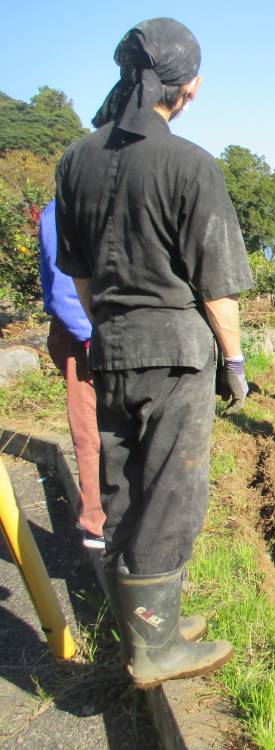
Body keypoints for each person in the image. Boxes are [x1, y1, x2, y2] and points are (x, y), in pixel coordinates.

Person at [55, 18, 252, 688]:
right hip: (174, 352)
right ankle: (155, 650)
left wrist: (107, 321)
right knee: (171, 492)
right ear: (187, 87)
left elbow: (78, 274)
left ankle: (151, 623)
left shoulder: (75, 160)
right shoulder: (190, 164)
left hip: (107, 342)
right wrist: (235, 361)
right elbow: (216, 287)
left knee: (122, 485)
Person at [38, 200, 106, 550]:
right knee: (90, 427)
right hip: (86, 332)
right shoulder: (64, 209)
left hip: (120, 327)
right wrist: (91, 336)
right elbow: (63, 284)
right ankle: (96, 521)